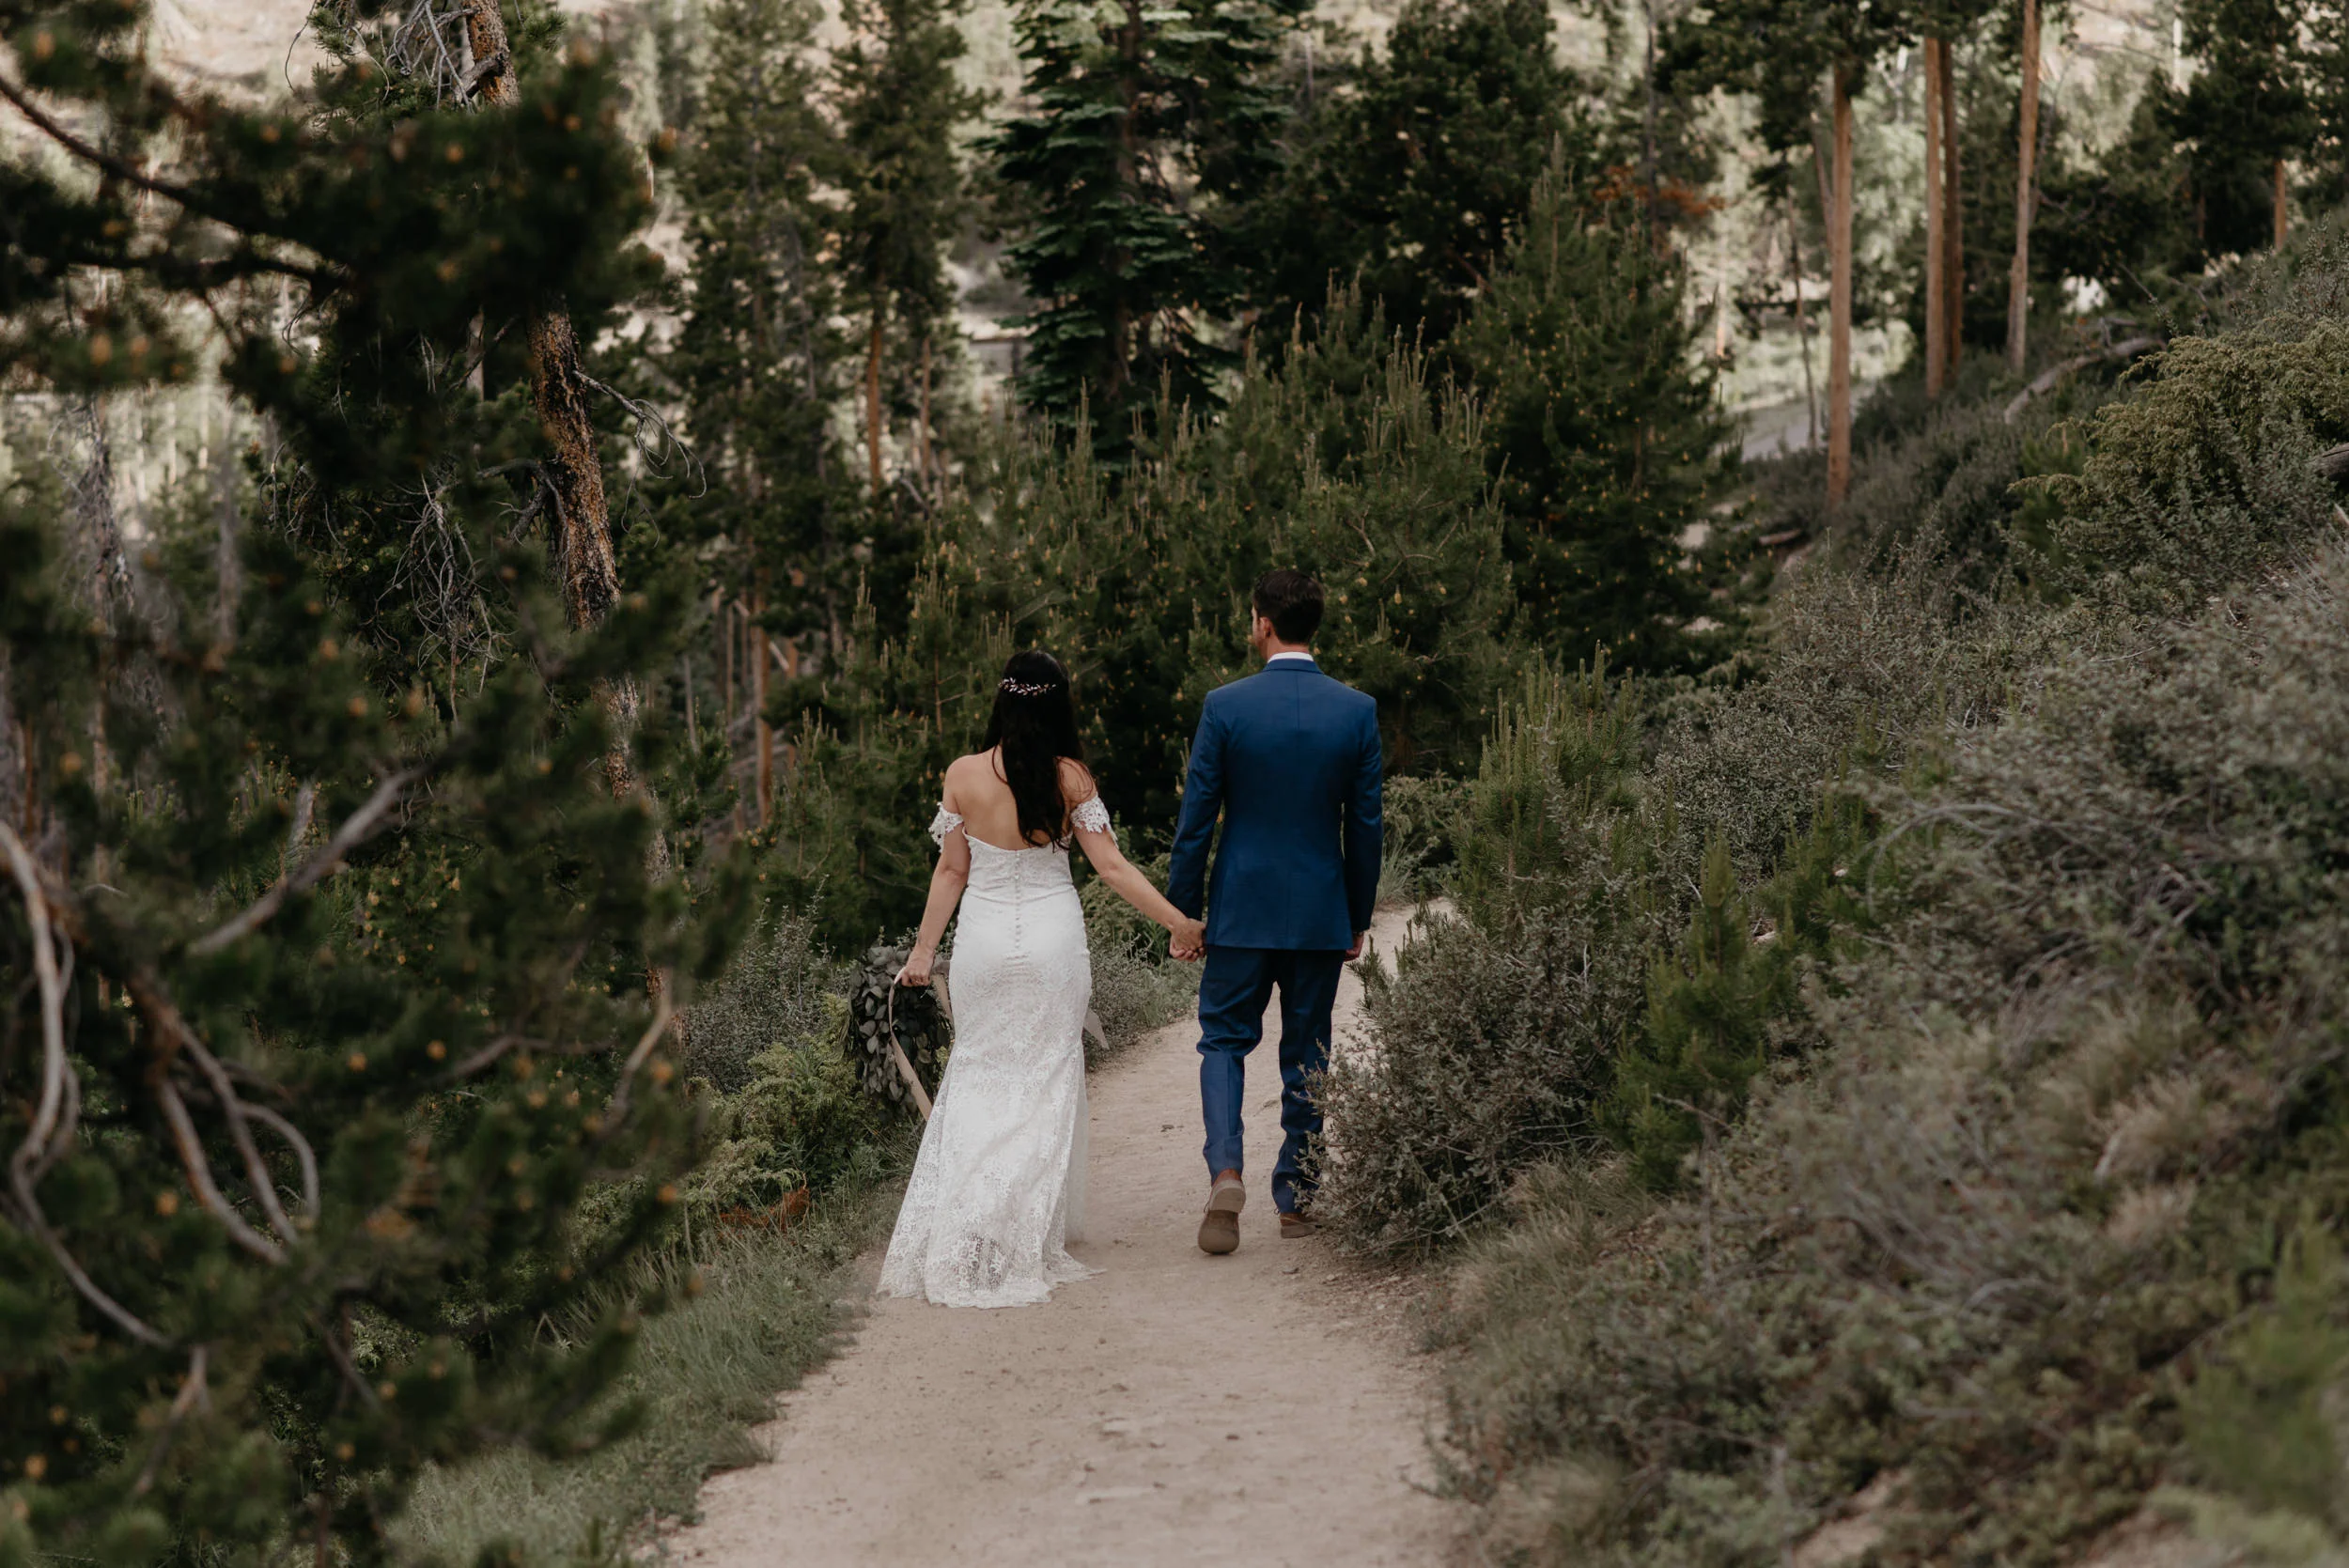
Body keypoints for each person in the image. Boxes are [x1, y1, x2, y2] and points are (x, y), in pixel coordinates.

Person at [879, 650, 1208, 1308]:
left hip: (983, 944)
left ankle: (970, 1222)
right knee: (1046, 1076)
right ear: (1058, 705)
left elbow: (951, 872)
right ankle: (1016, 1226)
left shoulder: (963, 775)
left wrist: (921, 954)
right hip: (1055, 942)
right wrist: (1180, 923)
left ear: (1002, 702)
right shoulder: (1071, 779)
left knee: (979, 1071)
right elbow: (1112, 869)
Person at [1168, 568, 1382, 1254]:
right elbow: (1366, 826)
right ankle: (1298, 1197)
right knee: (1308, 1049)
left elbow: (1196, 821)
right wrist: (1356, 915)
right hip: (1319, 910)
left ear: (1262, 622)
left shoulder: (1225, 706)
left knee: (1223, 1041)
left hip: (1240, 911)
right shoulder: (1356, 710)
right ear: (1312, 623)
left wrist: (1184, 912)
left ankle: (1226, 1169)